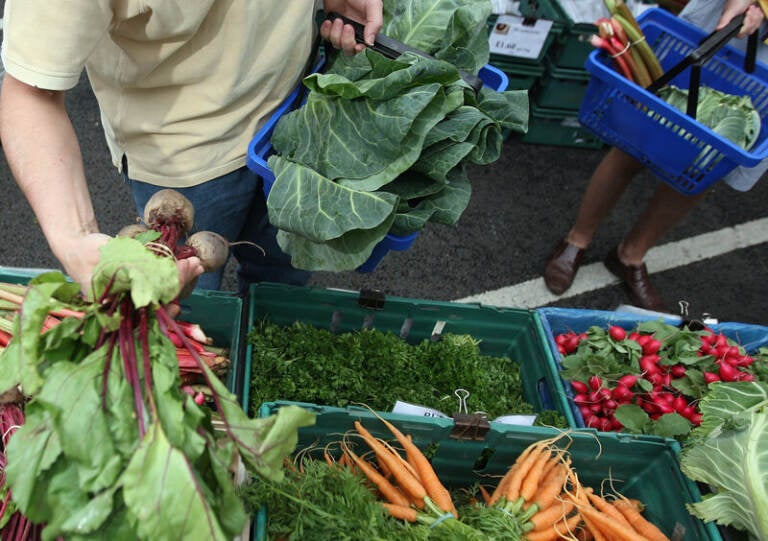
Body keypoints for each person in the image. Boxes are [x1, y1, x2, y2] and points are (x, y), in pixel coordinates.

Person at [0, 0, 383, 296]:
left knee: (279, 282)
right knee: (184, 304)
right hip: (182, 158)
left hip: (295, 116)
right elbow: (31, 92)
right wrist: (74, 239)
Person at [544, 0, 767, 313]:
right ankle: (577, 239)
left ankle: (629, 256)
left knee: (707, 163)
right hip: (729, 19)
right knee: (642, 132)